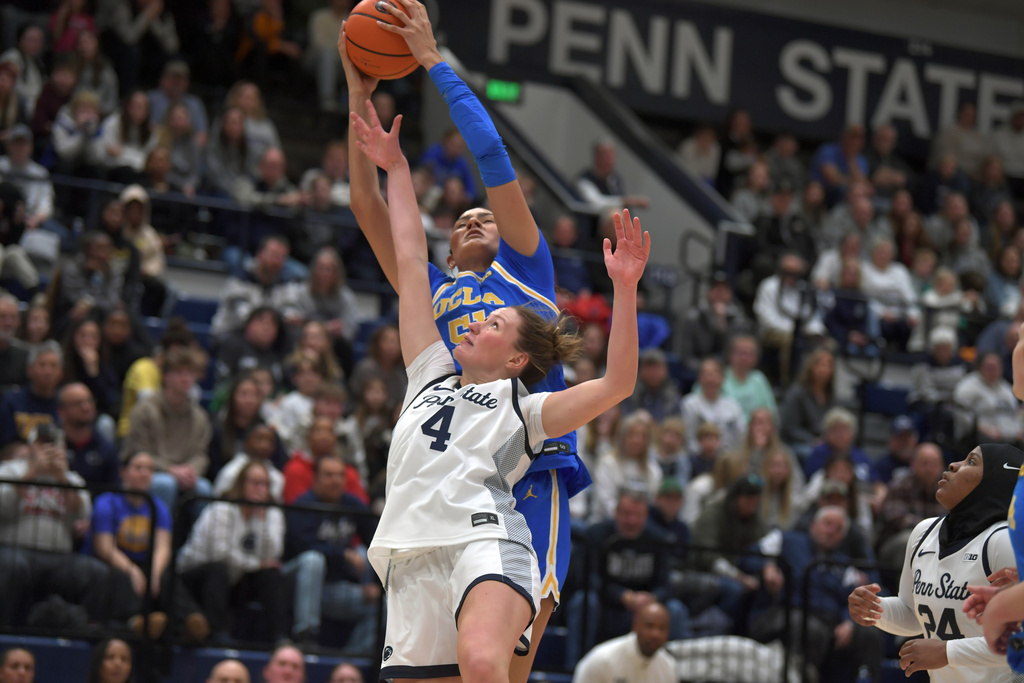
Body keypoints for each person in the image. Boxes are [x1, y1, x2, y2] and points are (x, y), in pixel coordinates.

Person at [349, 21, 648, 683]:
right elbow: (373, 209)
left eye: (484, 214)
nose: (475, 217)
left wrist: (433, 61)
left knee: (497, 668)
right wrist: (360, 97)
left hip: (526, 469)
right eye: (461, 220)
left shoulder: (526, 273)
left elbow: (490, 153)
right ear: (449, 248)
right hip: (439, 489)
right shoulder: (432, 303)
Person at [849, 443, 1022, 682]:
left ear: (996, 481)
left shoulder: (1005, 541)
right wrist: (875, 609)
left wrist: (948, 652)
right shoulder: (924, 532)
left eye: (971, 462)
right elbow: (912, 613)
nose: (954, 465)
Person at [89, 451, 210, 641]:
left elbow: (163, 547)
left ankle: (190, 621)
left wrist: (155, 573)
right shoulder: (107, 501)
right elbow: (104, 547)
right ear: (123, 472)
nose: (144, 473)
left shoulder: (158, 507)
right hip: (115, 561)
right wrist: (132, 571)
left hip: (145, 561)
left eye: (149, 469)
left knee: (166, 576)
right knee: (120, 576)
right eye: (138, 468)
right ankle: (136, 621)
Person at [0, 424, 110, 627]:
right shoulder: (10, 470)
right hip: (14, 551)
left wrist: (61, 478)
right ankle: (5, 630)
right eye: (42, 444)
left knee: (97, 573)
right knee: (13, 566)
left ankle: (86, 634)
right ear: (30, 446)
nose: (47, 449)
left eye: (53, 444)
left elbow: (82, 515)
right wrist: (33, 472)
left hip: (59, 557)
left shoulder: (72, 478)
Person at [566, 489, 689, 669]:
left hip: (644, 609)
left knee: (675, 610)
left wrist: (651, 598)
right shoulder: (596, 534)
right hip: (606, 606)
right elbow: (585, 578)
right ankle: (576, 670)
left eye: (638, 515)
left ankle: (670, 671)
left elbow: (667, 584)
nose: (632, 521)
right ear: (616, 512)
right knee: (582, 601)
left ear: (646, 516)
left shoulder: (659, 538)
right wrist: (621, 595)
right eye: (626, 514)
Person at [177, 461, 287, 643]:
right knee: (218, 570)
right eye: (255, 483)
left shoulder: (271, 514)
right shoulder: (221, 509)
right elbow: (220, 554)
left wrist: (262, 520)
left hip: (235, 578)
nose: (260, 489)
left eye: (265, 484)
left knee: (270, 575)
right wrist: (257, 564)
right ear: (241, 484)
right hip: (196, 576)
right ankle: (217, 635)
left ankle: (280, 638)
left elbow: (273, 554)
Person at [283, 455, 379, 651]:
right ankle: (306, 637)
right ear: (315, 478)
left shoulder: (352, 505)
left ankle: (350, 660)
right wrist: (342, 554)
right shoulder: (303, 505)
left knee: (380, 605)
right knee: (313, 560)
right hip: (296, 584)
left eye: (340, 475)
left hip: (330, 590)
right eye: (329, 475)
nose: (335, 480)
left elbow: (377, 540)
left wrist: (375, 585)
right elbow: (304, 546)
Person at [121, 346, 213, 510]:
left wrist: (191, 471)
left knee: (204, 488)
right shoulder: (144, 410)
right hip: (150, 471)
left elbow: (201, 454)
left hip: (185, 473)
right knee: (165, 484)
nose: (185, 378)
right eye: (179, 372)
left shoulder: (200, 417)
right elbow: (139, 452)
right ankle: (158, 526)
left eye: (190, 373)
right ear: (165, 376)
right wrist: (171, 470)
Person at [571, 602, 675, 683]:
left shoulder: (669, 667)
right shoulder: (602, 661)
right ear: (635, 626)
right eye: (649, 626)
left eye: (662, 628)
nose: (655, 634)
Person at [0, 341, 62, 452]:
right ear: (29, 370)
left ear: (61, 372)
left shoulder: (65, 402)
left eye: (53, 366)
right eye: (42, 365)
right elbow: (5, 446)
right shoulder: (12, 401)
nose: (48, 371)